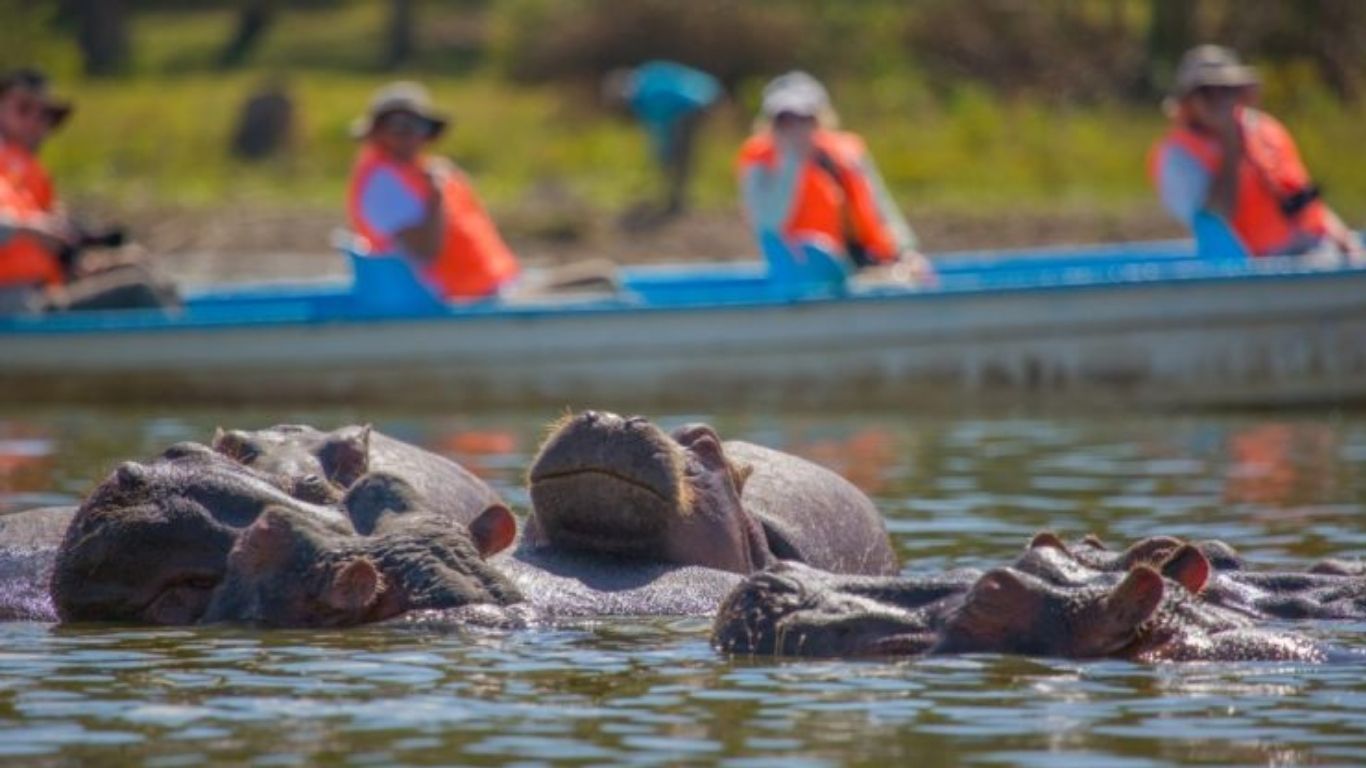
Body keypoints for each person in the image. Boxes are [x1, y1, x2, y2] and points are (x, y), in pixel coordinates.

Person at [1149, 45, 1362, 261]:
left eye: (1226, 89)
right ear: (1188, 100)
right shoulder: (1177, 156)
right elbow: (1215, 218)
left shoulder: (1266, 130)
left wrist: (1345, 241)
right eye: (1207, 91)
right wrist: (1230, 143)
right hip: (1252, 270)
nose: (1219, 99)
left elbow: (1305, 201)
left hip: (1314, 251)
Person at [736, 71, 931, 286]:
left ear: (819, 119)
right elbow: (769, 222)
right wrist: (791, 162)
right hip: (803, 275)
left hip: (864, 268)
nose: (796, 127)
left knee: (907, 276)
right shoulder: (760, 164)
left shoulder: (846, 154)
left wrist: (907, 252)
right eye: (785, 119)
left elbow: (882, 208)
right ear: (770, 123)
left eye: (804, 118)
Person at [0, 68, 171, 314]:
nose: (35, 122)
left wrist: (79, 262)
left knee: (139, 265)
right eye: (23, 109)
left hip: (42, 294)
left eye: (46, 115)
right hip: (17, 306)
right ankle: (182, 350)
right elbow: (25, 230)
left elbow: (50, 243)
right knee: (138, 290)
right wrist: (30, 228)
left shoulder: (26, 174)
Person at [347, 81, 521, 302]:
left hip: (485, 292)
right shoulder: (383, 184)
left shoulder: (423, 170)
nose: (409, 133)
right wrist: (436, 196)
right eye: (399, 124)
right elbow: (423, 250)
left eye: (418, 125)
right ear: (377, 131)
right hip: (442, 301)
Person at [604, 61, 721, 219]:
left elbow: (660, 129)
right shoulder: (647, 77)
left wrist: (661, 152)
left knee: (678, 154)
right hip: (701, 97)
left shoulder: (646, 96)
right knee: (678, 154)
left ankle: (676, 200)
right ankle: (675, 197)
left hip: (691, 107)